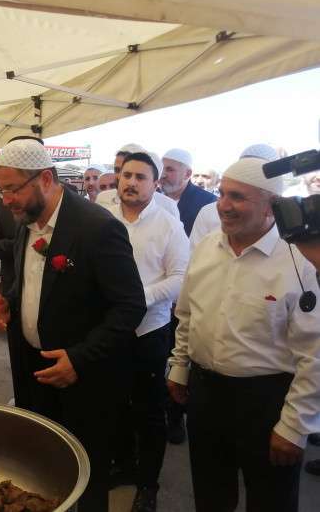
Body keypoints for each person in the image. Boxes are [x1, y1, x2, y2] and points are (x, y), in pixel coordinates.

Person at [0, 139, 146, 512]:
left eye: (12, 189)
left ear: (45, 178)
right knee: (42, 464)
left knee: (86, 472)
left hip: (83, 377)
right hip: (33, 368)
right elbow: (29, 283)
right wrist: (7, 304)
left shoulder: (97, 227)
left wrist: (80, 358)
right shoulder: (27, 222)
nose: (6, 200)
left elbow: (130, 306)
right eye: (1, 191)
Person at [167, 156, 320, 512]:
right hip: (205, 395)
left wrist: (295, 426)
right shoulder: (207, 246)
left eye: (237, 197)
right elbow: (187, 314)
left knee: (271, 501)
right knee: (210, 495)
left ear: (271, 205)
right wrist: (180, 367)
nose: (223, 205)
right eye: (222, 194)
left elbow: (315, 352)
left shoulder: (301, 260)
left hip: (267, 401)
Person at [106, 152, 189, 512]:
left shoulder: (168, 225)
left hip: (149, 331)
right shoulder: (103, 220)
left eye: (141, 177)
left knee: (149, 412)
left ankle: (148, 485)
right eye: (127, 175)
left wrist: (139, 298)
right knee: (115, 405)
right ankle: (124, 466)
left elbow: (180, 278)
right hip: (108, 329)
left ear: (156, 184)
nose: (131, 182)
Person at [190, 144, 279, 248]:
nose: (224, 207)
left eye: (238, 197)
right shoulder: (208, 213)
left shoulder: (292, 246)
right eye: (222, 194)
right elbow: (194, 251)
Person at [96, 144, 180, 219]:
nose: (119, 176)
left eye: (139, 176)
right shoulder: (103, 198)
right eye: (117, 170)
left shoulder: (167, 206)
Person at [160, 148, 217, 236]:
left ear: (187, 174)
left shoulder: (208, 202)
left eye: (169, 170)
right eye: (161, 169)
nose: (162, 175)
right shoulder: (151, 197)